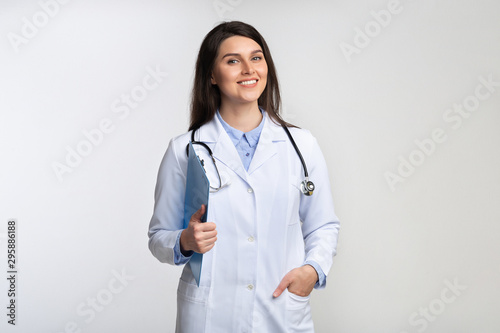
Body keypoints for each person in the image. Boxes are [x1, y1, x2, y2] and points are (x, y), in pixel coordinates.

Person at [148, 21, 340, 333]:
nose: (248, 70)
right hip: (211, 314)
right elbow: (158, 237)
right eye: (233, 61)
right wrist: (185, 240)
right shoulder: (184, 149)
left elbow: (324, 225)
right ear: (212, 75)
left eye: (256, 57)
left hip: (279, 309)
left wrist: (312, 270)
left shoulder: (301, 145)